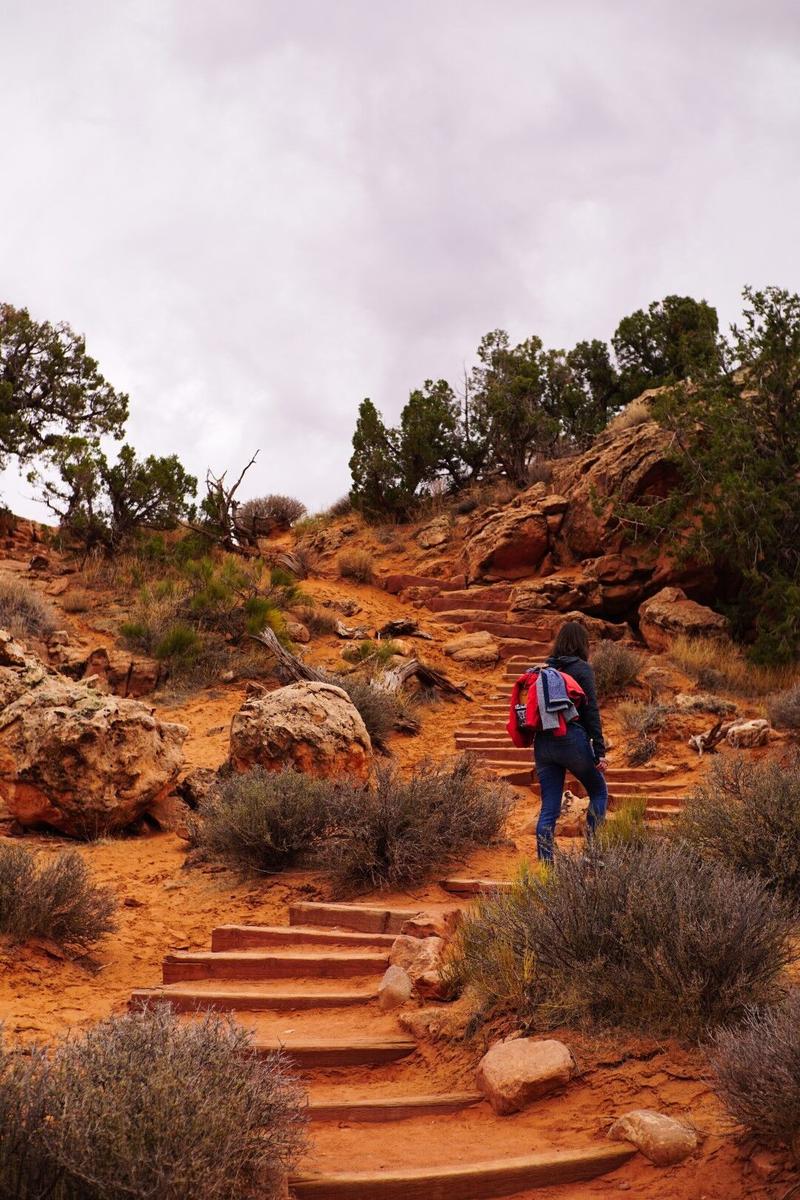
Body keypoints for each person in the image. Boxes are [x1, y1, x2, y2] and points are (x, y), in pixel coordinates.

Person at [534, 620, 607, 862]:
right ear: (582, 644)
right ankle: (592, 855)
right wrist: (599, 750)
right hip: (570, 739)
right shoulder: (582, 669)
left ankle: (546, 867)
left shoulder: (544, 669)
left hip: (543, 743)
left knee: (549, 809)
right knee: (598, 790)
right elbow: (591, 711)